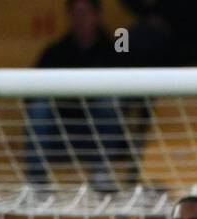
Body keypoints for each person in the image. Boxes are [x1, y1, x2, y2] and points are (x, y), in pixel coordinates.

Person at [24, 0, 124, 190]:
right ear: (69, 17)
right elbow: (29, 95)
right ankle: (36, 183)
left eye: (86, 13)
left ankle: (102, 172)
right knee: (39, 107)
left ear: (97, 16)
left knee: (109, 102)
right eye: (76, 13)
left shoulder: (113, 52)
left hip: (97, 134)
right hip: (60, 132)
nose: (82, 19)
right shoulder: (55, 52)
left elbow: (128, 97)